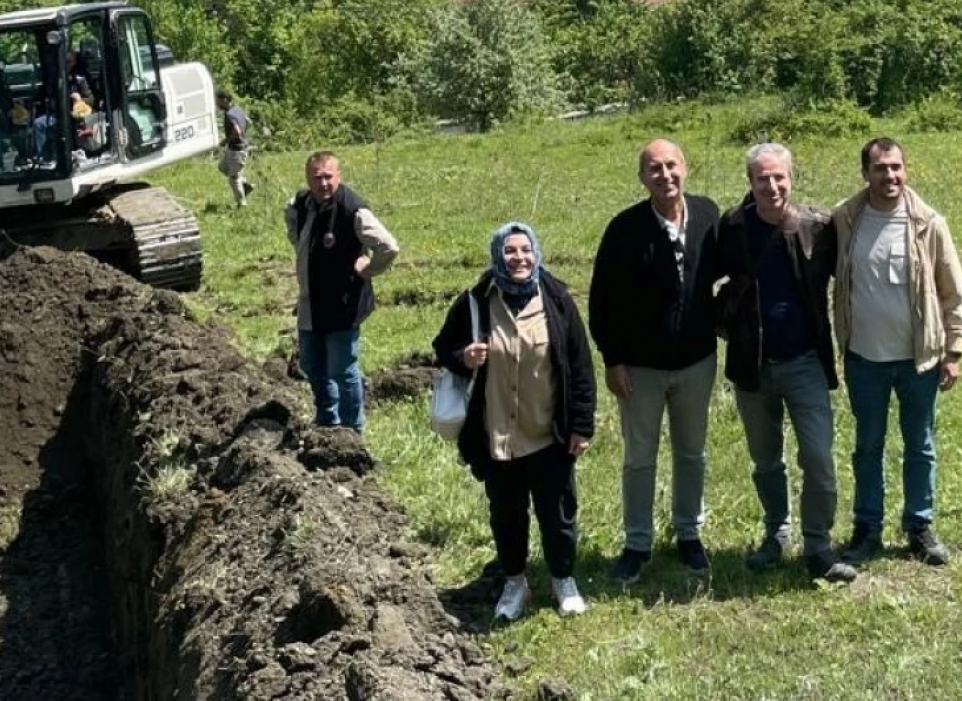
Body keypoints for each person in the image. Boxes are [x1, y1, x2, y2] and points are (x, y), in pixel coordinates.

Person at [433, 222, 597, 621]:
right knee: (507, 515)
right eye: (510, 251)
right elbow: (443, 348)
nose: (519, 258)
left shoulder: (555, 299)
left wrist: (581, 424)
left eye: (525, 250)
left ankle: (563, 581)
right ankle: (515, 583)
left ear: (536, 253)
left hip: (547, 434)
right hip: (497, 437)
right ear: (497, 256)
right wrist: (464, 356)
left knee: (557, 514)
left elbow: (579, 365)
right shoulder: (475, 301)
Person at [714, 143, 857, 584]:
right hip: (751, 366)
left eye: (779, 177)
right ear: (749, 183)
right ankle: (776, 533)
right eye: (762, 179)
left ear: (792, 179)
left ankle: (818, 544)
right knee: (765, 461)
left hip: (805, 362)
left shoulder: (817, 226)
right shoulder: (733, 227)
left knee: (818, 459)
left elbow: (853, 274)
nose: (771, 186)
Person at [833, 139, 962, 567]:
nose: (889, 177)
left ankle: (919, 525)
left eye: (896, 168)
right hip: (863, 358)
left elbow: (953, 292)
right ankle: (867, 527)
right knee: (867, 445)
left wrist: (954, 350)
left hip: (919, 360)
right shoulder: (845, 219)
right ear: (865, 173)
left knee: (920, 444)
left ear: (905, 170)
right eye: (880, 169)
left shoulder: (929, 223)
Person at [590, 139, 722, 582]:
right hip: (640, 368)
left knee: (692, 451)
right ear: (642, 178)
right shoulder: (624, 229)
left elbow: (727, 271)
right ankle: (637, 543)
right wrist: (613, 360)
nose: (664, 175)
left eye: (671, 166)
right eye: (654, 169)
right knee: (639, 457)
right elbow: (602, 301)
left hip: (696, 362)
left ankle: (689, 535)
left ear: (686, 168)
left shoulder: (707, 215)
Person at [285, 152, 399, 433]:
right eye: (316, 177)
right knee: (311, 365)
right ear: (307, 178)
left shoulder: (353, 211)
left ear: (339, 176)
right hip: (311, 303)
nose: (323, 183)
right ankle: (327, 419)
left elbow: (389, 246)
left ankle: (351, 431)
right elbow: (296, 239)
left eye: (328, 176)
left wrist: (369, 267)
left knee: (342, 370)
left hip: (343, 304)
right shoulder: (298, 206)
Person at [217, 89, 254, 207]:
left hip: (237, 150)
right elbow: (249, 122)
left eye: (218, 101)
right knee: (222, 167)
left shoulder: (229, 115)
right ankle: (245, 185)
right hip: (232, 149)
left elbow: (237, 132)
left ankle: (241, 203)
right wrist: (243, 133)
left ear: (224, 100)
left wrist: (225, 141)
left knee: (233, 179)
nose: (217, 105)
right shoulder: (237, 109)